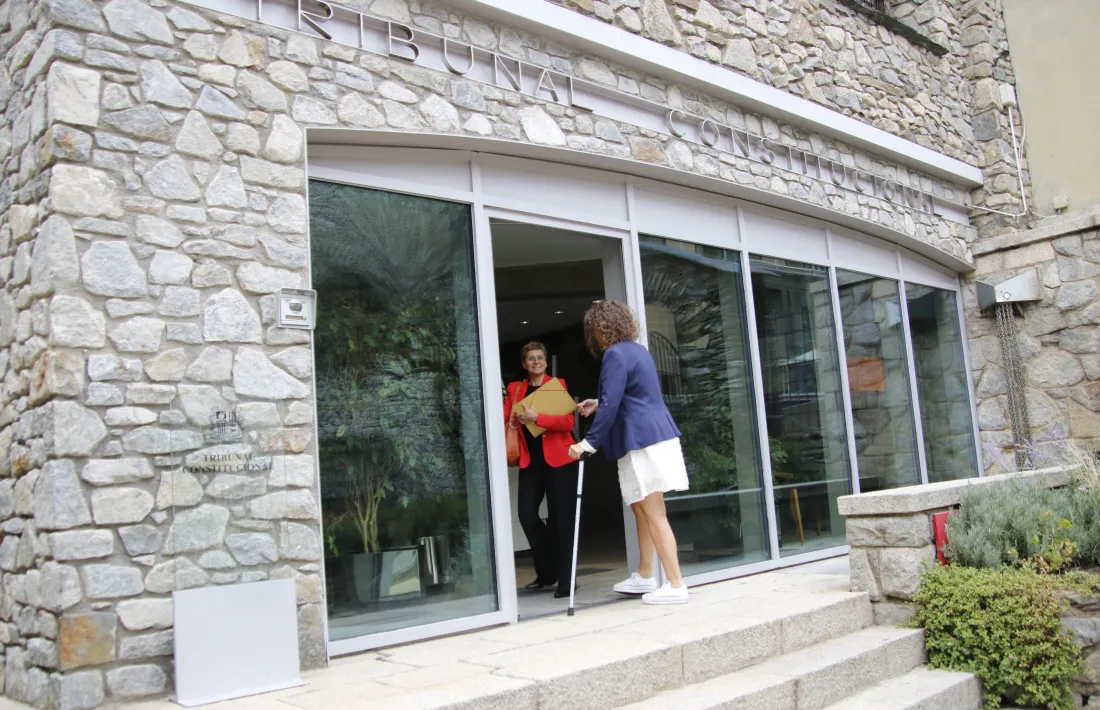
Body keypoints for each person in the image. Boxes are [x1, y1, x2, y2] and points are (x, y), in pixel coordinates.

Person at [569, 301, 690, 605]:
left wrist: (588, 443)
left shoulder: (614, 354)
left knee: (653, 513)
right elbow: (629, 395)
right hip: (652, 436)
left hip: (643, 441)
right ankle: (646, 574)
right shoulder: (637, 350)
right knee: (640, 508)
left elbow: (613, 405)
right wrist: (598, 402)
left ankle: (675, 585)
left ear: (600, 328)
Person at [505, 341, 579, 599]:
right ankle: (549, 570)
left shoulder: (557, 385)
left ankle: (566, 580)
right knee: (526, 514)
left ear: (546, 362)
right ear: (524, 364)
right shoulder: (516, 389)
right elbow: (506, 418)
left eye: (540, 358)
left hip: (561, 460)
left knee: (562, 521)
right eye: (530, 359)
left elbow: (568, 422)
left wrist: (538, 419)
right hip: (531, 461)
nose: (536, 362)